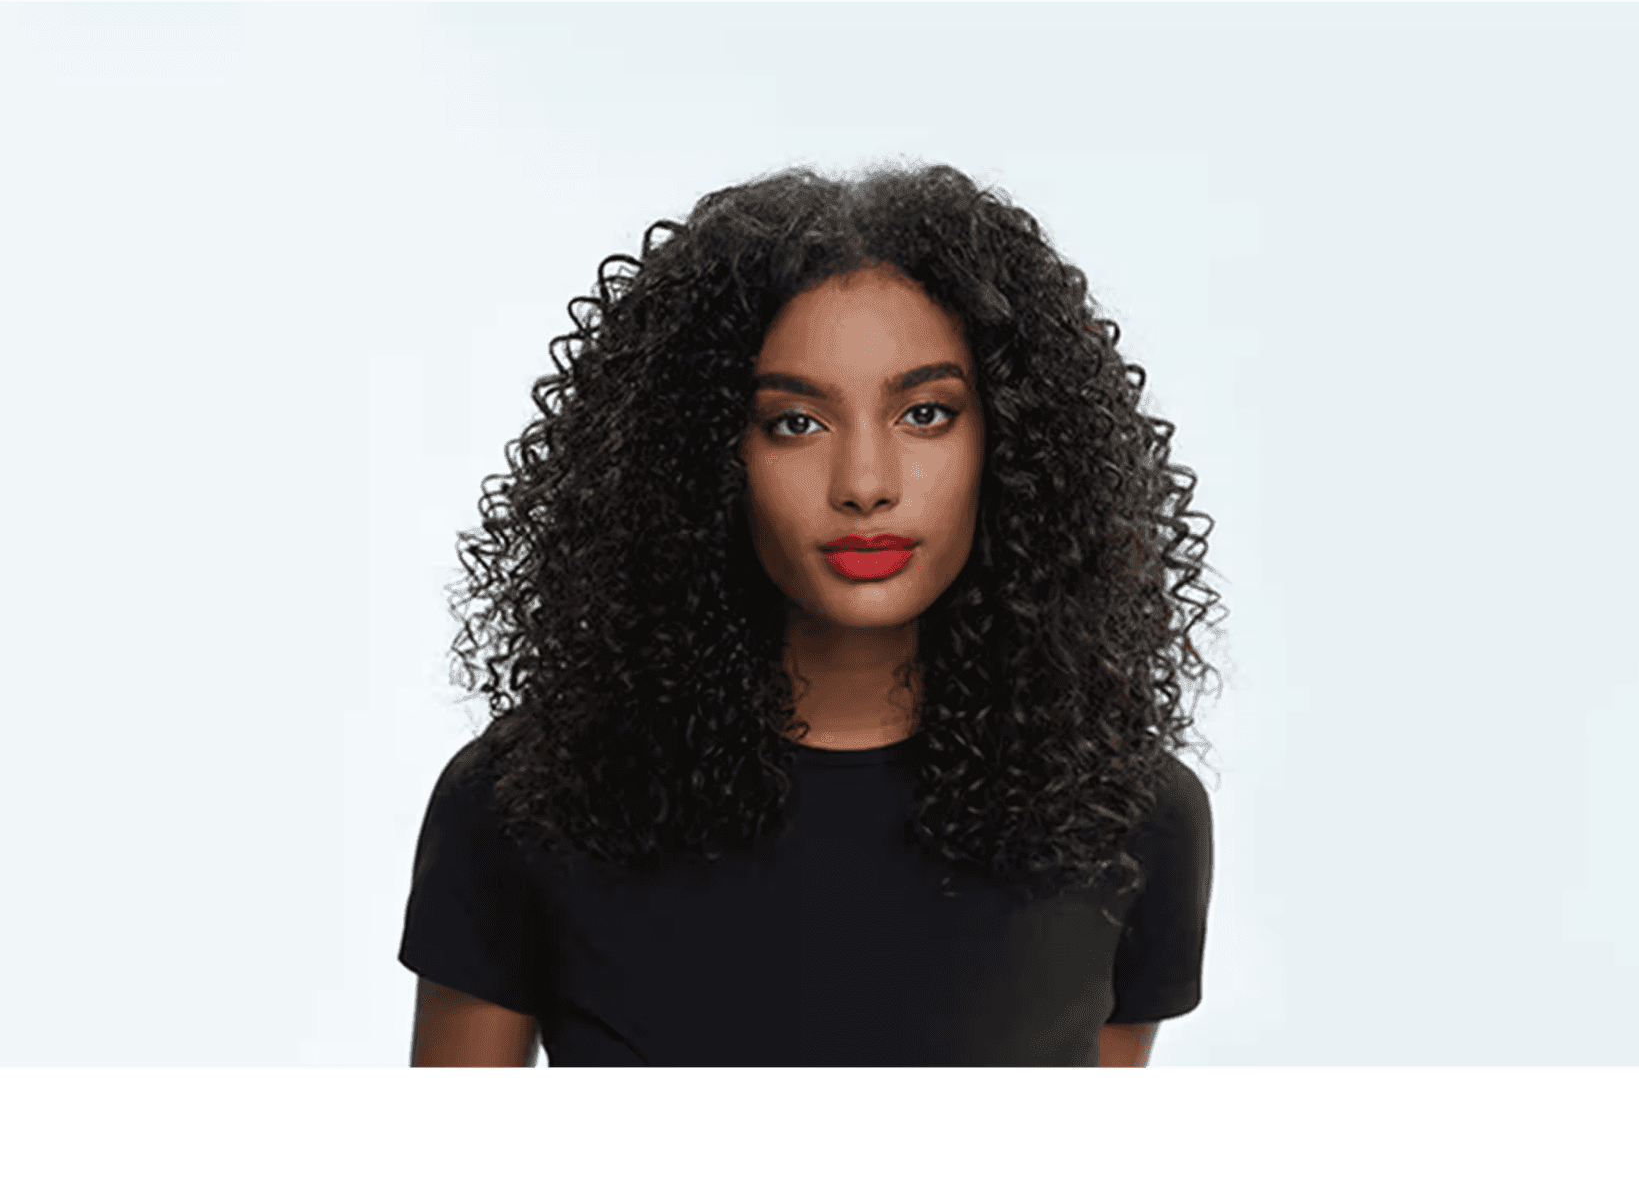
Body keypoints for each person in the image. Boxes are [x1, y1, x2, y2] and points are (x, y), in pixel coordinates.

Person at [401, 164, 1224, 1066]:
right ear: (704, 458)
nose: (865, 485)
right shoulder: (527, 805)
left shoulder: (1130, 820)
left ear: (1014, 443)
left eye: (924, 413)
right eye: (796, 423)